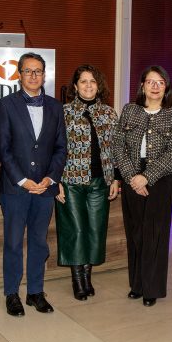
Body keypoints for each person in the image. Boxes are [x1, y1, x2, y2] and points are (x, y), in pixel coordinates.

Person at [0, 52, 67, 317]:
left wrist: (50, 178)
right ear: (19, 75)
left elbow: (61, 148)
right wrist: (24, 180)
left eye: (38, 71)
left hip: (45, 188)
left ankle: (35, 291)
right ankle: (11, 293)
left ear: (44, 74)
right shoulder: (6, 105)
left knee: (39, 242)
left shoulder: (56, 107)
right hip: (15, 188)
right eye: (28, 71)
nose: (33, 76)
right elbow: (3, 148)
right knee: (13, 242)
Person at [112, 66, 172, 307]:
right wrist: (132, 176)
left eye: (159, 82)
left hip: (160, 179)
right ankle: (137, 284)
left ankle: (152, 287)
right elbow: (118, 146)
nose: (154, 86)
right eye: (150, 81)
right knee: (136, 232)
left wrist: (147, 177)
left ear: (166, 87)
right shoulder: (129, 110)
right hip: (132, 174)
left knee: (155, 233)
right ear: (142, 85)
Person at [56, 65, 120, 300]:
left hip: (100, 181)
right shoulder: (62, 112)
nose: (88, 85)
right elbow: (54, 149)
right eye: (83, 81)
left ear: (98, 84)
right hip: (70, 180)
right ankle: (77, 280)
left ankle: (87, 276)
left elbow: (115, 150)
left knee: (95, 228)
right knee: (76, 230)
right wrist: (56, 181)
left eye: (92, 81)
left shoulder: (109, 113)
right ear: (75, 86)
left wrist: (115, 179)